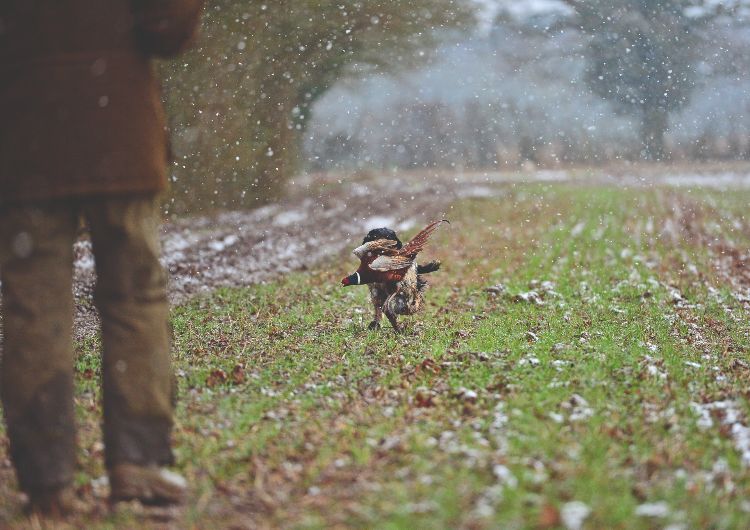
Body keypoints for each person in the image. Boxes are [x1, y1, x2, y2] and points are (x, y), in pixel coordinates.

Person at [0, 0, 204, 517]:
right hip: (119, 128)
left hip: (25, 135)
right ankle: (139, 461)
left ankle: (46, 478)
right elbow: (168, 27)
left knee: (32, 305)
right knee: (134, 295)